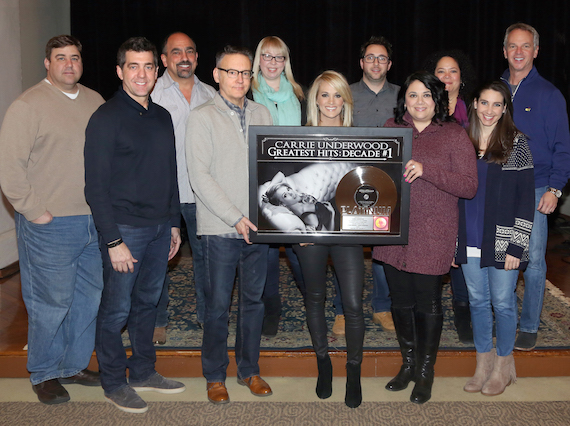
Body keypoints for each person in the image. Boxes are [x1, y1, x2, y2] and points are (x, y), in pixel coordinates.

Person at [0, 35, 104, 405]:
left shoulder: (95, 101)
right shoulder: (28, 105)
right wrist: (34, 211)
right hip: (51, 224)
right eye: (60, 58)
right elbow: (9, 168)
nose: (69, 65)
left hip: (95, 222)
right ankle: (44, 371)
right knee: (51, 302)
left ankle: (73, 365)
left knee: (87, 300)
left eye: (74, 58)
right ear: (48, 63)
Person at [85, 37, 185, 414]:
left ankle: (143, 371)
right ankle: (113, 382)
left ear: (157, 72)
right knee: (115, 310)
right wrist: (113, 241)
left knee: (147, 304)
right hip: (125, 231)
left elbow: (170, 174)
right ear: (119, 71)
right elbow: (95, 187)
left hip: (161, 229)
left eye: (147, 67)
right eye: (133, 66)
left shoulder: (163, 116)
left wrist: (174, 224)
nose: (141, 74)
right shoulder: (105, 117)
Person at [374, 71, 477, 404]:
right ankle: (407, 364)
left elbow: (469, 187)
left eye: (427, 95)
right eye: (413, 95)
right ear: (404, 99)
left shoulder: (454, 135)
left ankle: (425, 372)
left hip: (434, 233)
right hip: (392, 232)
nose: (419, 102)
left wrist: (427, 170)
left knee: (428, 305)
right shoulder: (391, 130)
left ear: (438, 100)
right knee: (399, 302)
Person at [186, 45, 273, 405]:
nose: (239, 79)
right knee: (217, 306)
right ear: (216, 75)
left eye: (245, 73)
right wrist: (235, 218)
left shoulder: (263, 114)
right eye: (232, 72)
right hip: (220, 228)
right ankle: (214, 376)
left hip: (259, 228)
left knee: (253, 302)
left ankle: (249, 371)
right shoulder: (201, 117)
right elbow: (199, 177)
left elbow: (271, 171)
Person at [457, 81, 534, 396]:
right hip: (469, 237)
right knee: (477, 301)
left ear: (505, 109)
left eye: (497, 104)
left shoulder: (517, 144)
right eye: (484, 103)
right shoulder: (461, 140)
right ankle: (482, 364)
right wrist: (453, 242)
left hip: (503, 240)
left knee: (502, 302)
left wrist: (518, 244)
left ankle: (503, 365)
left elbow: (526, 200)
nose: (489, 110)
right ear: (474, 103)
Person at [294, 70, 365, 408]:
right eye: (324, 95)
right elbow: (294, 190)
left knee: (352, 304)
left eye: (338, 95)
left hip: (348, 231)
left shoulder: (360, 138)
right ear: (315, 100)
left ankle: (353, 371)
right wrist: (298, 228)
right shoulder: (298, 137)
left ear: (345, 101)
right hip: (311, 231)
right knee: (316, 299)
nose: (331, 102)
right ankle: (324, 364)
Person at [500, 23, 570, 351]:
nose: (518, 52)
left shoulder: (549, 95)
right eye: (513, 46)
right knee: (499, 254)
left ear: (536, 51)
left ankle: (528, 326)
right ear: (504, 51)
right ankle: (503, 317)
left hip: (536, 187)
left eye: (525, 46)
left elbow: (562, 147)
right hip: (498, 186)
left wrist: (554, 190)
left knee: (534, 260)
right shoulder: (494, 90)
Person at [151, 32, 216, 343]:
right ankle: (157, 319)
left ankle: (208, 318)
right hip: (162, 193)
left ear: (197, 57)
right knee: (158, 258)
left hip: (202, 195)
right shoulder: (150, 94)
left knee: (206, 259)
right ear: (164, 60)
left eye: (190, 50)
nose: (184, 57)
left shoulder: (213, 95)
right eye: (176, 52)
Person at [343, 35, 401, 334]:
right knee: (347, 246)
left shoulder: (404, 96)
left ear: (389, 64)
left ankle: (382, 306)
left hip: (391, 185)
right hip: (352, 182)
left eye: (382, 58)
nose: (376, 63)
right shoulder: (346, 94)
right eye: (370, 57)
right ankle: (344, 308)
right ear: (361, 62)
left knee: (382, 246)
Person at [251, 36, 306, 337]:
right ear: (258, 60)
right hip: (258, 182)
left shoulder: (300, 94)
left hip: (293, 182)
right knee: (266, 254)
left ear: (286, 62)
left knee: (300, 248)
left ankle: (313, 301)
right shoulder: (246, 92)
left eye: (279, 57)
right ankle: (270, 308)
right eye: (267, 56)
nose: (272, 62)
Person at [423, 49, 477, 343]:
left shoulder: (475, 109)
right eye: (441, 71)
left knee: (462, 249)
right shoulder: (425, 106)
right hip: (434, 191)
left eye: (452, 71)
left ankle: (462, 309)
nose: (446, 77)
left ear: (461, 77)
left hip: (465, 190)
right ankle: (430, 310)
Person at [262, 175, 335, 232]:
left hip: (333, 203)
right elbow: (329, 236)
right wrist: (332, 214)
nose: (291, 193)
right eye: (285, 195)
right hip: (336, 223)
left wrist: (267, 190)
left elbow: (280, 174)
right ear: (282, 204)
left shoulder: (296, 200)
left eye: (288, 189)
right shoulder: (309, 216)